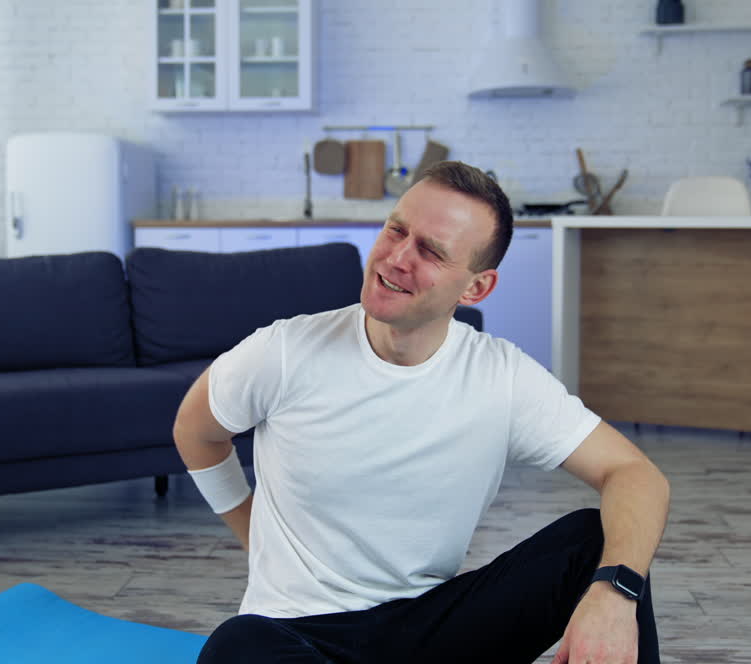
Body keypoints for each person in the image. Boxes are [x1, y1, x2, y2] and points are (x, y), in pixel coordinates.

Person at [173, 161, 670, 664]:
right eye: (396, 230)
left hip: (429, 626)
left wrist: (615, 595)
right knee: (235, 647)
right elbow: (195, 430)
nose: (396, 257)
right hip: (295, 633)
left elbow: (634, 473)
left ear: (476, 288)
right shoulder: (284, 350)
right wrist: (250, 528)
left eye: (430, 251)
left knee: (594, 542)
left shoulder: (501, 377)